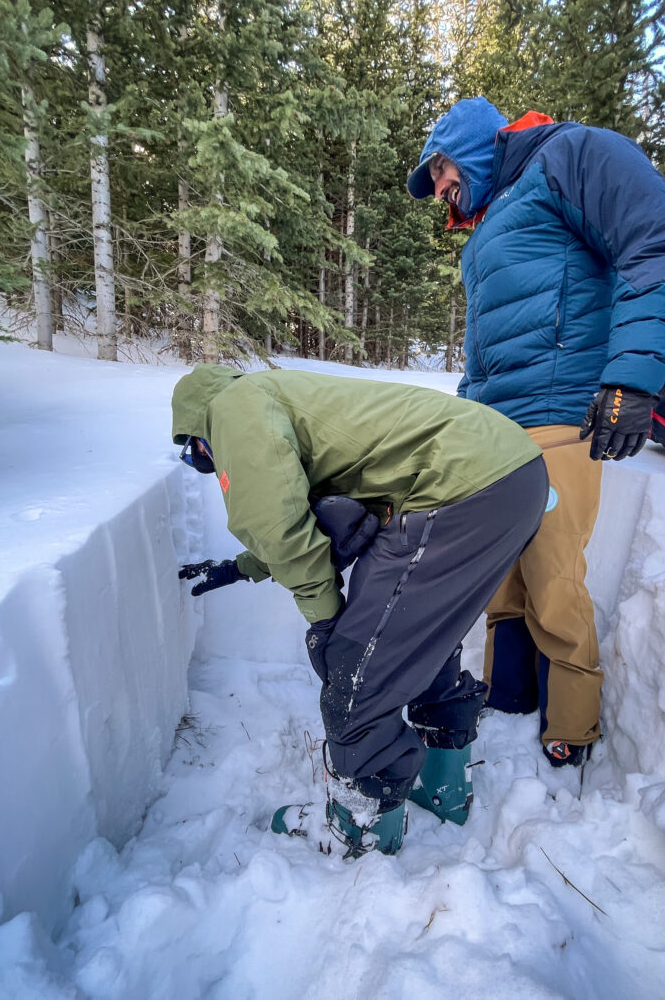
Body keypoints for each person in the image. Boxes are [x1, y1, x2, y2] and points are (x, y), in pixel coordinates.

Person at [407, 96, 665, 767]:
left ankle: (573, 720)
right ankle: (507, 692)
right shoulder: (490, 227)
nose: (443, 190)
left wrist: (630, 377)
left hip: (559, 417)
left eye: (444, 171)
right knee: (499, 574)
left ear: (476, 146)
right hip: (495, 431)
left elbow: (655, 238)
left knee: (553, 573)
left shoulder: (569, 157)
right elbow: (488, 348)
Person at [172, 364, 548, 858]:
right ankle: (444, 784)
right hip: (508, 474)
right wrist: (245, 566)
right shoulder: (278, 397)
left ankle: (360, 829)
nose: (203, 464)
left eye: (196, 456)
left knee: (358, 668)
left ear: (197, 430)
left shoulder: (229, 409)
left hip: (457, 487)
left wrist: (328, 622)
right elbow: (297, 510)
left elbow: (277, 520)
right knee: (415, 637)